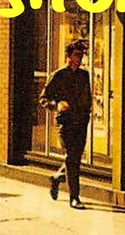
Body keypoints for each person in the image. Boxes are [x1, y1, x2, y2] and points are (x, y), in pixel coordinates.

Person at [40, 39, 92, 210]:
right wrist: (57, 105)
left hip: (81, 121)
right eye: (76, 55)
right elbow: (43, 99)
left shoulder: (84, 75)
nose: (79, 58)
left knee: (75, 157)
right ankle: (74, 197)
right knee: (71, 157)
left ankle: (57, 178)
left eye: (81, 55)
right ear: (69, 56)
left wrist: (87, 111)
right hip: (65, 122)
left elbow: (87, 96)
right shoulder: (58, 75)